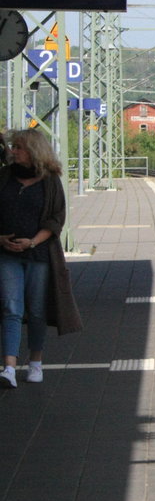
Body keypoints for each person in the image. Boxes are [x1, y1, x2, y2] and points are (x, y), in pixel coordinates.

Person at [0, 129, 82, 387]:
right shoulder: (4, 177)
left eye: (19, 148)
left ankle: (35, 361)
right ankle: (9, 368)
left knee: (36, 311)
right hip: (7, 253)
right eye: (13, 147)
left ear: (34, 151)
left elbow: (57, 218)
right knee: (11, 308)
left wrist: (33, 241)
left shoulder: (50, 181)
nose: (13, 151)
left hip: (39, 254)